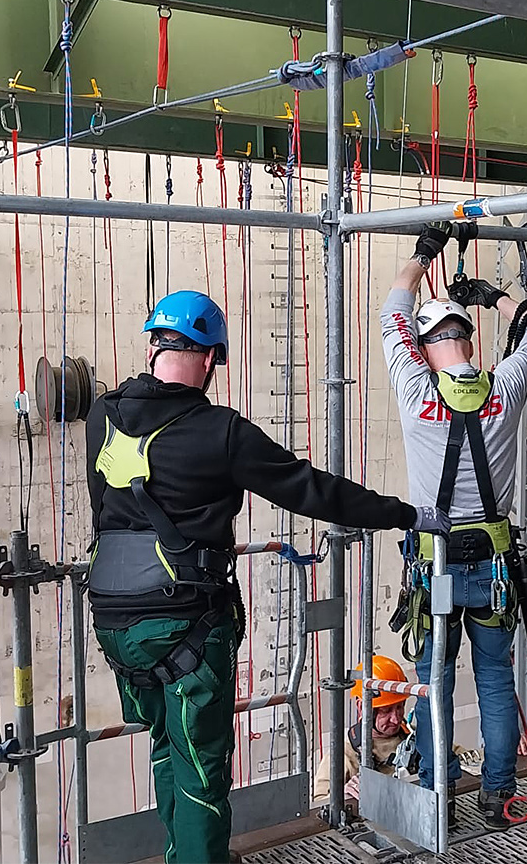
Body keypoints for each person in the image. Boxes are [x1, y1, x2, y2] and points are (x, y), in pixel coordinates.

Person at [84, 290, 447, 864]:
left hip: (112, 623)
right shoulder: (220, 430)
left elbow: (104, 504)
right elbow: (311, 490)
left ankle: (184, 856)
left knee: (165, 748)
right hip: (184, 627)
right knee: (202, 771)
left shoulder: (101, 415)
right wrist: (405, 514)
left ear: (156, 345)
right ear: (208, 359)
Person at [381, 223, 527, 830]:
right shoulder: (505, 385)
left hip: (434, 565)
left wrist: (421, 256)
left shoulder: (413, 387)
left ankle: (436, 799)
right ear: (469, 342)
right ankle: (500, 797)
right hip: (494, 567)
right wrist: (495, 297)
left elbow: (393, 309)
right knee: (494, 681)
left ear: (425, 348)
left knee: (434, 681)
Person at [313, 654, 414, 803]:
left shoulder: (413, 738)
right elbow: (319, 803)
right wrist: (343, 796)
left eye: (400, 707)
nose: (396, 718)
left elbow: (458, 757)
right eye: (386, 711)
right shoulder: (344, 755)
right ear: (362, 707)